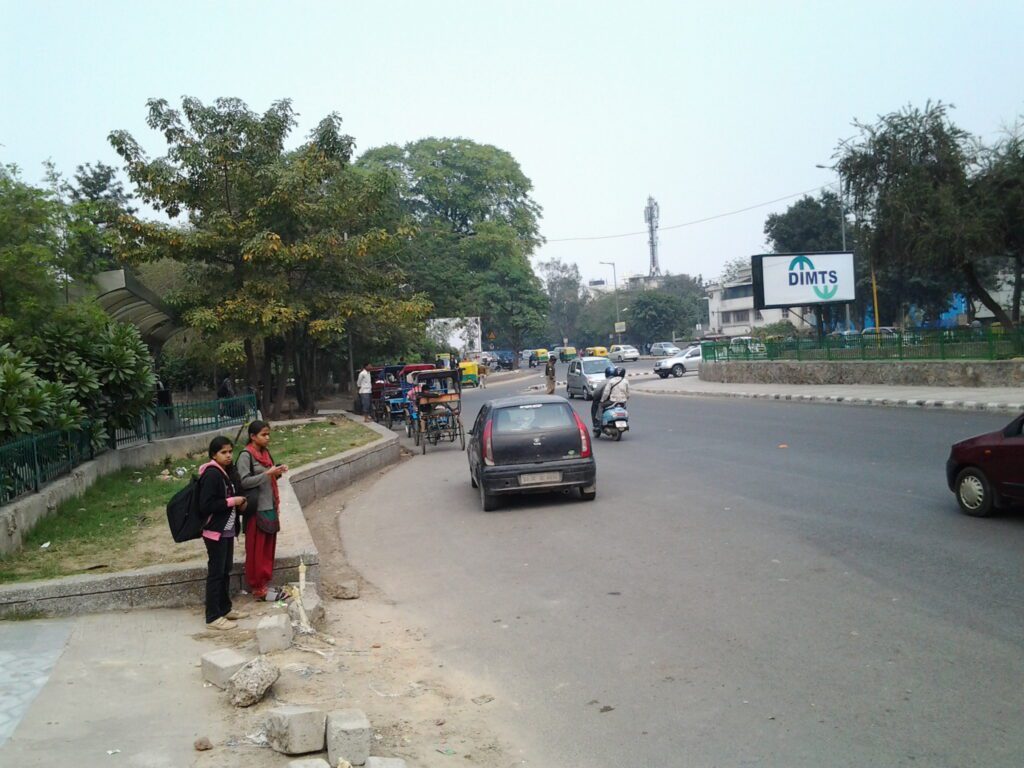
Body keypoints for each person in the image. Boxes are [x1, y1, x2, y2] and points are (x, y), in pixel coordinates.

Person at [198, 436, 248, 630]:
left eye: (230, 452)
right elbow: (206, 505)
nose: (228, 456)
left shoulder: (224, 472)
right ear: (213, 454)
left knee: (225, 571)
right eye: (223, 452)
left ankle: (225, 608)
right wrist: (232, 501)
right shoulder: (212, 474)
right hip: (214, 532)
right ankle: (212, 616)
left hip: (226, 531)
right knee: (216, 573)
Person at [237, 420, 288, 601]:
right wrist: (267, 474)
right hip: (256, 508)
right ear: (252, 436)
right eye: (263, 434)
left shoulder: (266, 453)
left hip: (270, 505)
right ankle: (257, 586)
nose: (267, 438)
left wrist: (278, 471)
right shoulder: (246, 456)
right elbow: (243, 481)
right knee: (256, 549)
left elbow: (270, 475)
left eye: (268, 434)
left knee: (268, 547)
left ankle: (265, 583)